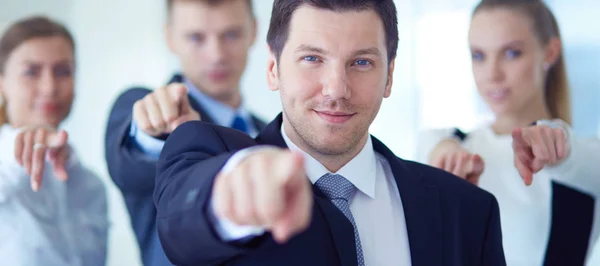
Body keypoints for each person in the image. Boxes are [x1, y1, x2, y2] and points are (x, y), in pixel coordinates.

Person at [154, 0, 507, 265]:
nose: (336, 89)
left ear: (390, 75)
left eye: (361, 62)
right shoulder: (214, 155)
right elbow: (178, 224)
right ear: (273, 66)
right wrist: (230, 199)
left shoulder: (468, 212)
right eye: (312, 58)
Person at [414, 0, 600, 265]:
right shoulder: (451, 147)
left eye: (511, 53)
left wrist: (558, 143)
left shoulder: (583, 159)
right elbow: (427, 146)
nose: (492, 74)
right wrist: (442, 151)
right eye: (479, 55)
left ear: (549, 52)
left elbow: (583, 161)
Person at [104, 0, 266, 265]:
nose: (216, 54)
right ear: (170, 38)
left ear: (255, 31)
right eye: (196, 37)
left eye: (231, 34)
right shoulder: (148, 108)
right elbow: (130, 164)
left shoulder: (272, 133)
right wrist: (154, 133)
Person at [0, 16, 108, 265]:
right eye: (31, 72)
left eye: (62, 71)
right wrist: (21, 146)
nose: (49, 87)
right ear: (2, 82)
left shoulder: (92, 187)